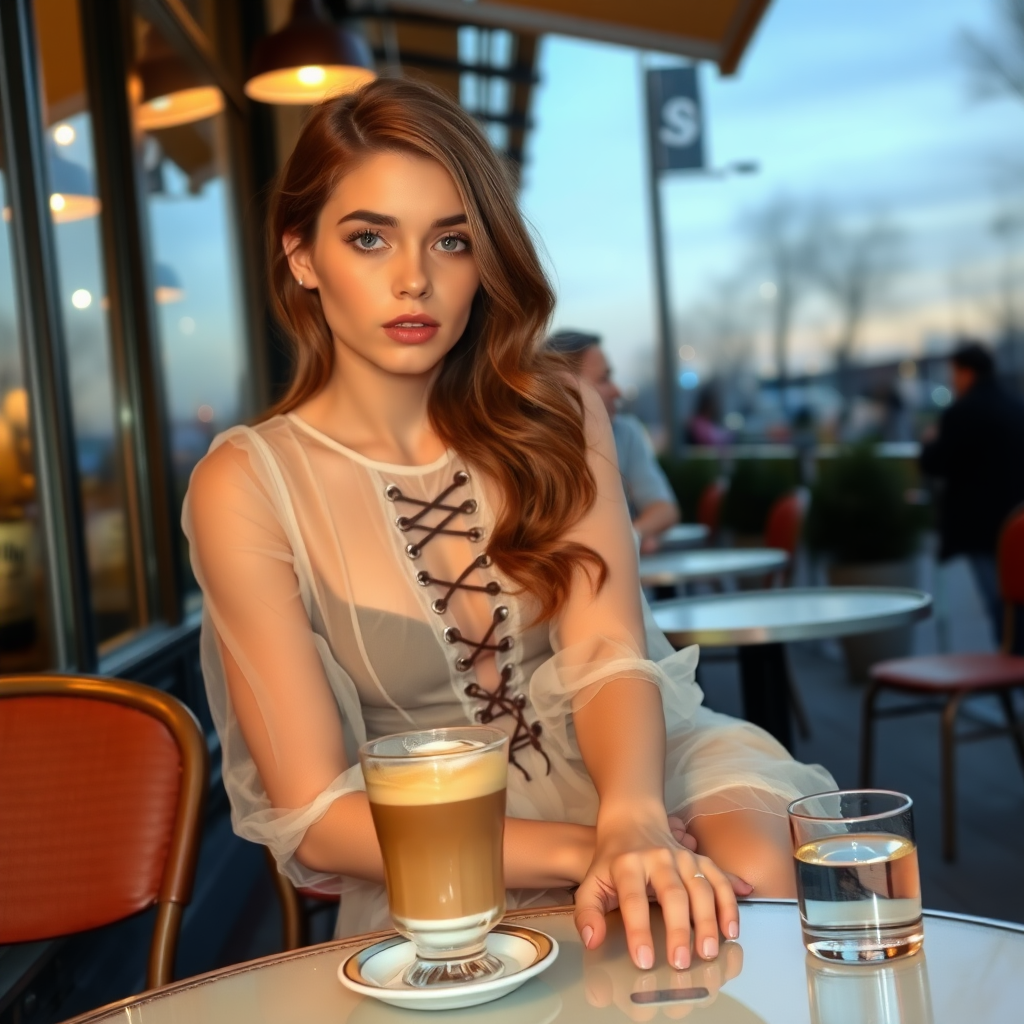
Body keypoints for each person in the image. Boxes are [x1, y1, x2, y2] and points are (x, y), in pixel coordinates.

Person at [183, 78, 834, 973]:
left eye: (451, 240)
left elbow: (608, 649)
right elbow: (316, 814)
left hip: (641, 765)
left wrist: (636, 816)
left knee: (753, 881)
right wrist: (586, 848)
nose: (414, 278)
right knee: (597, 926)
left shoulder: (556, 408)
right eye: (368, 238)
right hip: (441, 842)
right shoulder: (243, 485)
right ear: (301, 255)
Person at [921, 341, 1024, 646]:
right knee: (1015, 596)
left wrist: (929, 443)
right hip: (1017, 518)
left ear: (967, 372)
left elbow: (936, 463)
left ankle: (1011, 668)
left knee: (998, 599)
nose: (952, 379)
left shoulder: (961, 413)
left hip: (979, 524)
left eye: (954, 372)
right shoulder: (1016, 406)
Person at [546, 330, 680, 553]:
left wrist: (631, 537)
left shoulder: (625, 432)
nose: (617, 391)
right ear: (564, 387)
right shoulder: (531, 445)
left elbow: (665, 510)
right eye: (604, 379)